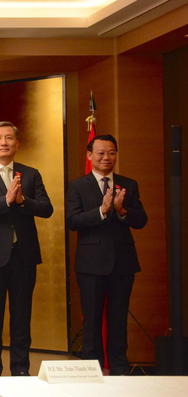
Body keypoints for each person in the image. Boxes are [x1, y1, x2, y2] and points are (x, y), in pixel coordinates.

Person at [0, 121, 53, 377]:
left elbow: (46, 209)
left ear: (17, 144)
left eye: (9, 138)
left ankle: (21, 372)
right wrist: (5, 201)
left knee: (21, 319)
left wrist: (23, 200)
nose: (4, 143)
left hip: (24, 256)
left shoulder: (30, 173)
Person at [65, 134, 147, 375]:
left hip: (123, 263)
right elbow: (72, 221)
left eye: (111, 153)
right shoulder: (78, 185)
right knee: (91, 320)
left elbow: (141, 220)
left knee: (119, 319)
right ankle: (93, 369)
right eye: (100, 153)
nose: (106, 158)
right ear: (89, 156)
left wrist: (123, 211)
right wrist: (100, 212)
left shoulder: (128, 184)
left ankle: (120, 369)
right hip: (91, 264)